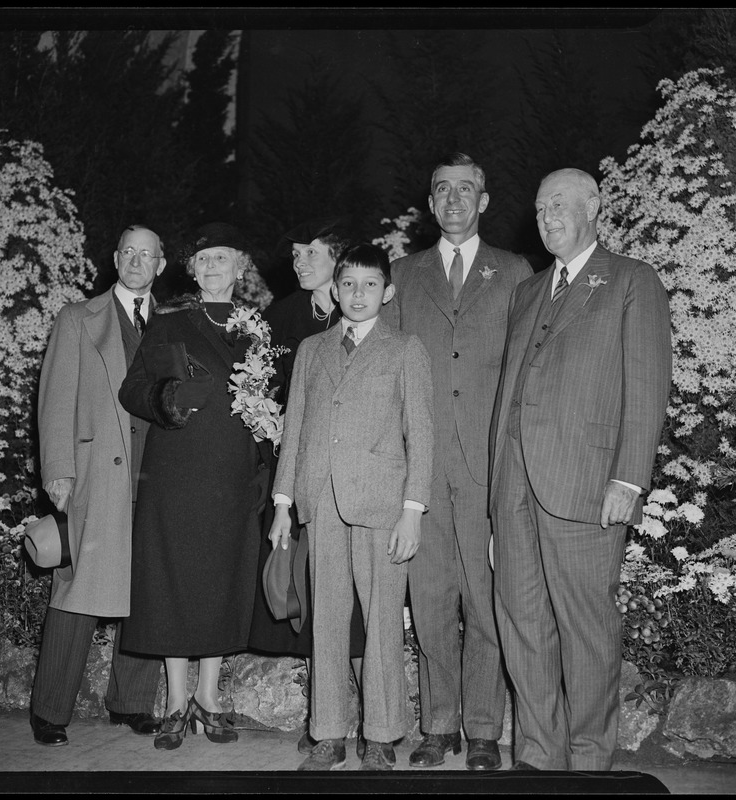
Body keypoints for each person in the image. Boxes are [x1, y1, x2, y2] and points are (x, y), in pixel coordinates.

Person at [489, 168, 672, 771]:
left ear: (595, 206)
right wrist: (496, 501)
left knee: (587, 631)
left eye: (559, 205)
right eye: (540, 209)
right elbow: (508, 396)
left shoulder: (630, 280)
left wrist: (629, 479)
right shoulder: (526, 292)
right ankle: (538, 758)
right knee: (522, 625)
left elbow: (646, 385)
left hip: (587, 485)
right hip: (514, 488)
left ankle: (591, 763)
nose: (547, 218)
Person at [382, 153, 532, 770]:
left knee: (487, 600)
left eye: (465, 190)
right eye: (442, 190)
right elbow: (386, 364)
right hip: (422, 470)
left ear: (485, 201)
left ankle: (484, 732)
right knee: (433, 599)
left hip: (488, 467)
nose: (453, 200)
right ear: (431, 201)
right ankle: (439, 726)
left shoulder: (516, 271)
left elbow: (526, 369)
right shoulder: (403, 273)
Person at [268, 243, 434, 771]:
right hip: (322, 501)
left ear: (387, 292)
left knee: (384, 619)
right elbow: (293, 428)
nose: (358, 294)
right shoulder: (313, 350)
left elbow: (422, 434)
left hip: (382, 504)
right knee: (329, 619)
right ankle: (328, 732)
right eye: (347, 284)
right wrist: (282, 502)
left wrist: (413, 509)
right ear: (333, 291)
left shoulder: (405, 349)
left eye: (369, 285)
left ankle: (381, 734)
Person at [119, 222, 272, 751]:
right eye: (202, 259)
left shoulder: (258, 328)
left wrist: (265, 467)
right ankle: (176, 701)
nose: (211, 267)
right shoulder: (171, 322)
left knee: (218, 584)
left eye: (222, 258)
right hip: (178, 473)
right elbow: (132, 389)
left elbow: (274, 407)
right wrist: (173, 397)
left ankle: (208, 698)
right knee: (173, 583)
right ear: (190, 268)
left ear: (240, 267)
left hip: (232, 476)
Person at [30, 225, 166, 746]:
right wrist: (57, 472)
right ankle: (49, 710)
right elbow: (55, 398)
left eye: (146, 254)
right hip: (94, 475)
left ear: (160, 264)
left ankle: (131, 702)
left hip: (157, 476)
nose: (136, 261)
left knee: (145, 590)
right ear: (115, 259)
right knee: (78, 591)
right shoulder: (77, 318)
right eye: (128, 252)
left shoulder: (174, 324)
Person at [246, 218, 368, 758]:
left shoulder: (365, 311)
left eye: (310, 252)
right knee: (315, 596)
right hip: (303, 476)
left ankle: (377, 714)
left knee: (362, 604)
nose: (298, 261)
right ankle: (328, 716)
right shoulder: (283, 316)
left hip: (359, 478)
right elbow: (260, 384)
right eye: (294, 252)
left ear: (339, 260)